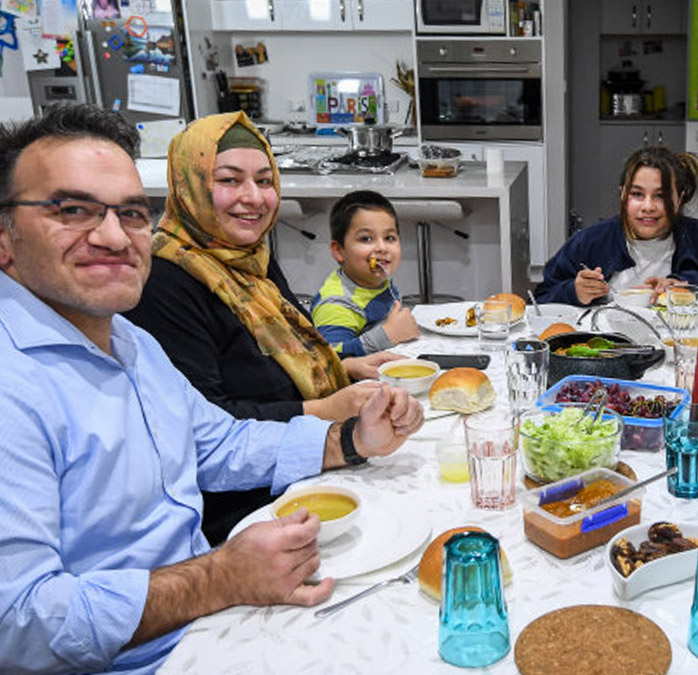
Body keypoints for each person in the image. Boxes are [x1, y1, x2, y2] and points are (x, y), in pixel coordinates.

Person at [0, 103, 423, 675]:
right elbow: (19, 623)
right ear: (5, 236)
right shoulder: (14, 386)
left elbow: (215, 445)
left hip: (216, 622)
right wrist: (219, 577)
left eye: (130, 213)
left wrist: (348, 439)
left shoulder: (128, 341)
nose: (112, 235)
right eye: (72, 209)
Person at [122, 111, 397, 542]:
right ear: (189, 183)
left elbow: (287, 355)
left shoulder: (251, 257)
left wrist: (344, 365)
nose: (253, 197)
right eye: (229, 180)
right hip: (247, 512)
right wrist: (325, 411)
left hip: (311, 465)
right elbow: (208, 431)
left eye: (265, 181)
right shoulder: (164, 282)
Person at [535, 145, 698, 308]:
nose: (648, 207)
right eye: (637, 194)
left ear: (679, 198)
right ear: (622, 194)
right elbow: (539, 298)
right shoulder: (592, 240)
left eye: (660, 196)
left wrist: (687, 287)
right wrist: (574, 292)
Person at [311, 190, 419, 356]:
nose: (382, 248)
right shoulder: (336, 305)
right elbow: (331, 359)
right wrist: (388, 335)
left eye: (389, 238)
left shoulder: (375, 280)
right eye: (366, 239)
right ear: (339, 251)